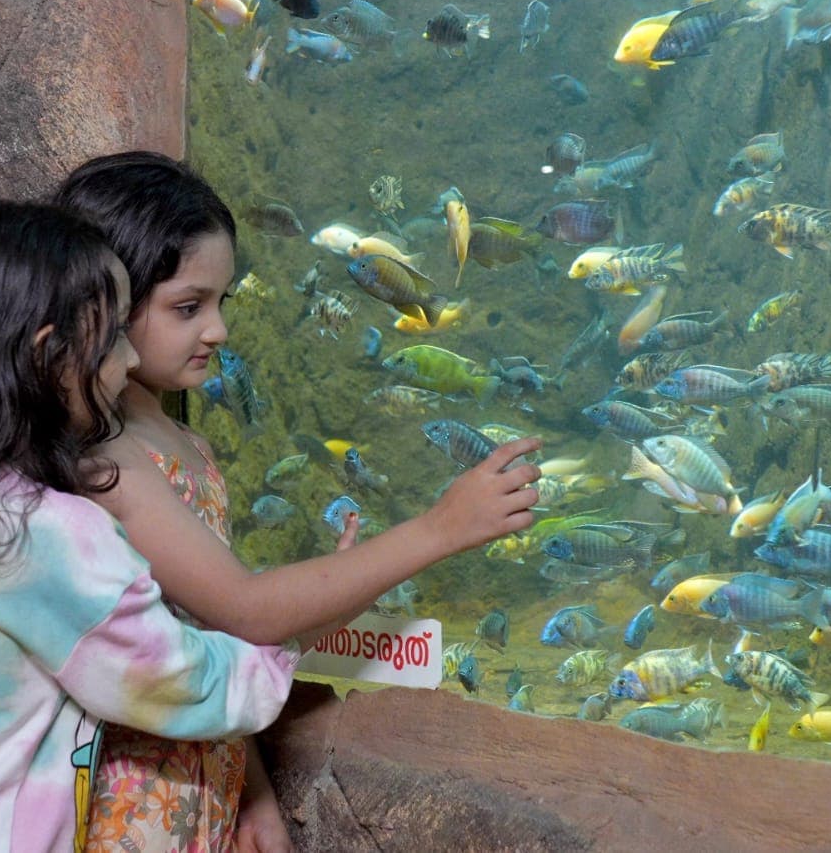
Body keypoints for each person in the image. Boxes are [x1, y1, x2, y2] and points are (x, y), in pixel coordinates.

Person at [52, 152, 540, 851]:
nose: (217, 329)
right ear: (101, 305)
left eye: (220, 301)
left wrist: (250, 794)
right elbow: (247, 612)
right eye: (188, 307)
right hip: (131, 809)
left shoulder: (186, 442)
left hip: (203, 788)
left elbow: (208, 646)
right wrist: (440, 527)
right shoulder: (110, 461)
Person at [0, 201, 301, 852]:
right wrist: (290, 633)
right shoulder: (47, 531)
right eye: (113, 337)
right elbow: (183, 681)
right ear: (50, 355)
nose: (126, 362)